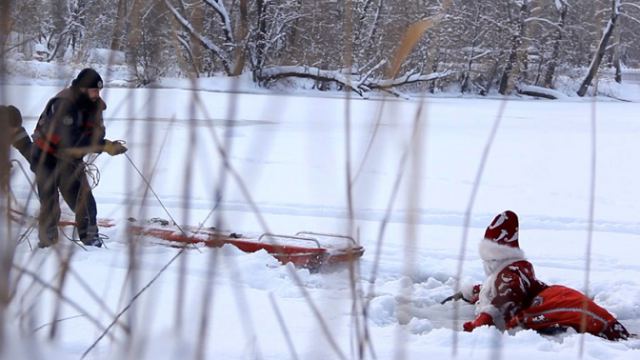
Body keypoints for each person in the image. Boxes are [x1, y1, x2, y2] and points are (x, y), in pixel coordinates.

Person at [453, 210, 629, 340]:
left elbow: (504, 300)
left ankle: (608, 333)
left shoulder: (509, 274)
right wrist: (470, 292)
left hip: (552, 301)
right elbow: (496, 290)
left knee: (577, 315)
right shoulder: (512, 270)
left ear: (493, 258)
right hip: (554, 294)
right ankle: (611, 330)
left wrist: (478, 324)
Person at [31, 68, 127, 248]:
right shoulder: (63, 104)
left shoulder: (94, 105)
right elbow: (69, 140)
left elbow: (95, 132)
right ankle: (47, 242)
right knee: (49, 203)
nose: (97, 94)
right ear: (82, 89)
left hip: (70, 160)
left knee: (85, 201)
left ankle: (91, 239)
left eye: (99, 90)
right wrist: (103, 146)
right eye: (94, 90)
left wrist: (107, 144)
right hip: (47, 158)